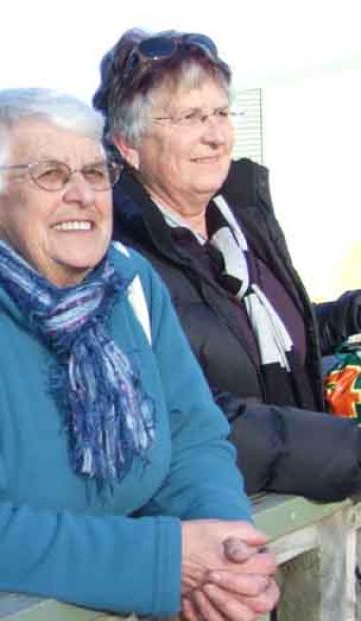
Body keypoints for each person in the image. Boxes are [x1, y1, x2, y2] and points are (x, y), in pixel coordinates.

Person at [0, 88, 279, 620]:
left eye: (96, 172)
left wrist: (227, 551)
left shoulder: (132, 282)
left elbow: (193, 438)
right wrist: (165, 562)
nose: (83, 194)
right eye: (51, 174)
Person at [93, 28, 361, 501]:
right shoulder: (113, 262)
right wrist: (350, 451)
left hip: (298, 517)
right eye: (191, 117)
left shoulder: (240, 229)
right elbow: (190, 417)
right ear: (128, 143)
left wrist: (351, 312)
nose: (215, 135)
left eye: (220, 112)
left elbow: (262, 347)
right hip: (215, 542)